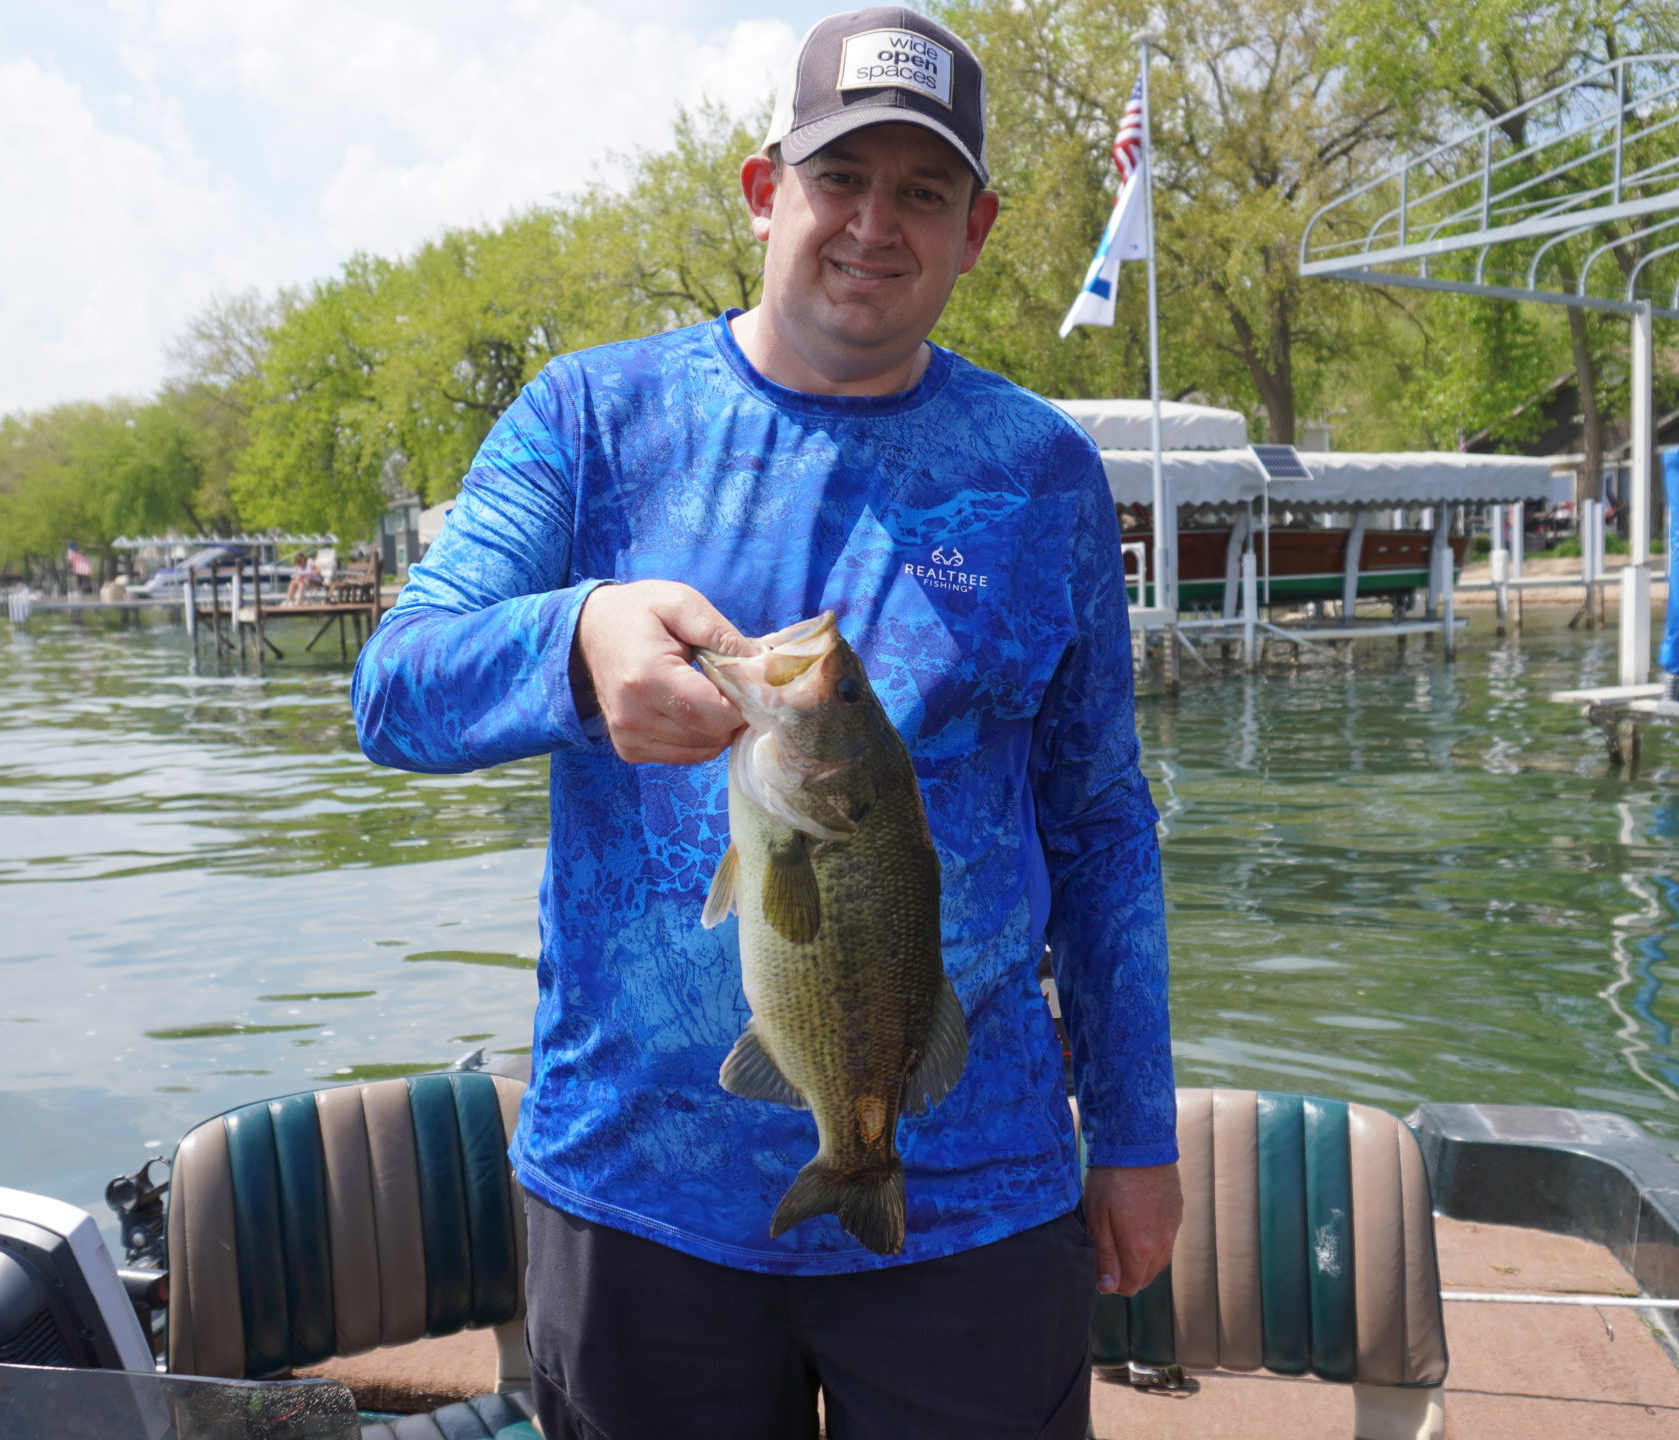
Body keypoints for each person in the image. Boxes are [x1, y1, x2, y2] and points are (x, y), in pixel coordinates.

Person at [351, 9, 1178, 1435]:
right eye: (838, 177)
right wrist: (579, 637)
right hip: (636, 1189)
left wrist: (1139, 1132)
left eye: (922, 191)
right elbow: (394, 692)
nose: (875, 223)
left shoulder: (1044, 473)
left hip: (971, 1194)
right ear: (761, 193)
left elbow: (1101, 828)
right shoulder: (590, 419)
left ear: (976, 229)